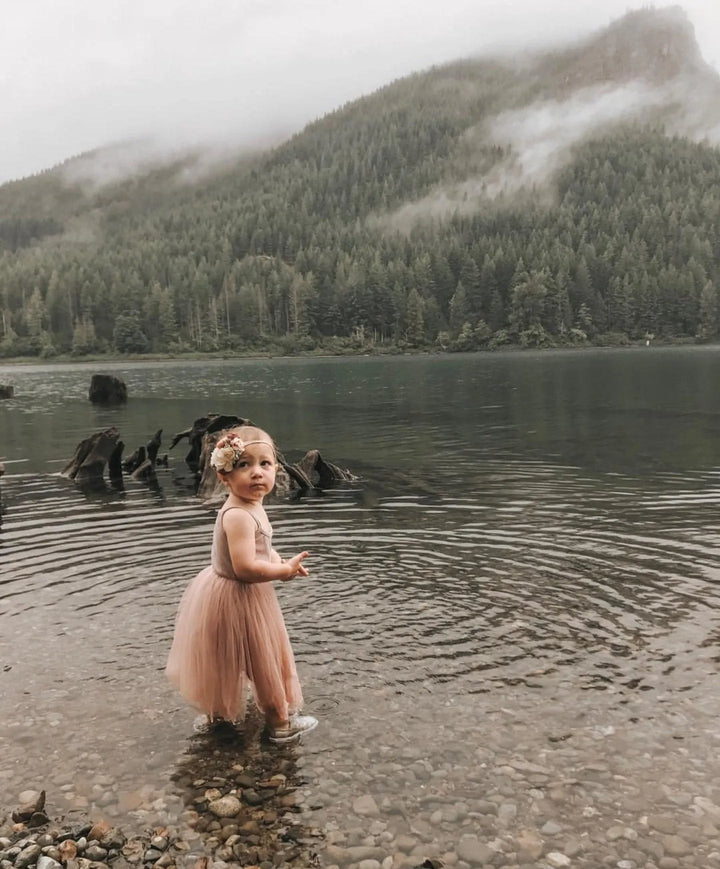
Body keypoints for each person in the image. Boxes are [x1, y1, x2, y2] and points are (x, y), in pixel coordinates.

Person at [166, 425, 318, 744]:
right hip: (238, 596)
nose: (256, 473)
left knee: (233, 657)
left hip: (239, 592)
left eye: (264, 464)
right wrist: (283, 573)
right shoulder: (238, 515)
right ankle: (279, 724)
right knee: (263, 662)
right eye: (243, 465)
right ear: (224, 476)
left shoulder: (253, 506)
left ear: (276, 469)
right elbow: (246, 567)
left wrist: (276, 560)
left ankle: (219, 720)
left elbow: (260, 549)